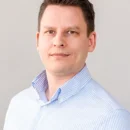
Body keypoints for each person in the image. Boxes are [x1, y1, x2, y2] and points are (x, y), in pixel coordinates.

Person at [3, 0, 130, 130]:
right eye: (50, 31)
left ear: (91, 42)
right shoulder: (18, 104)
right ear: (38, 40)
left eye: (71, 32)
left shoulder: (112, 120)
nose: (58, 42)